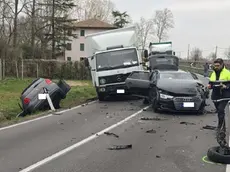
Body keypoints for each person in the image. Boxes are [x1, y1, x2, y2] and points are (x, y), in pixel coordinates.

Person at [208, 58, 230, 134]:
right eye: (215, 65)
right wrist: (209, 86)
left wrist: (226, 86)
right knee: (219, 112)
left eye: (218, 65)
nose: (216, 67)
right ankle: (222, 125)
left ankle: (220, 127)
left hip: (224, 95)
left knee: (221, 110)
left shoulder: (227, 73)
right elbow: (210, 83)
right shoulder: (213, 73)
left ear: (222, 65)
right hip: (215, 95)